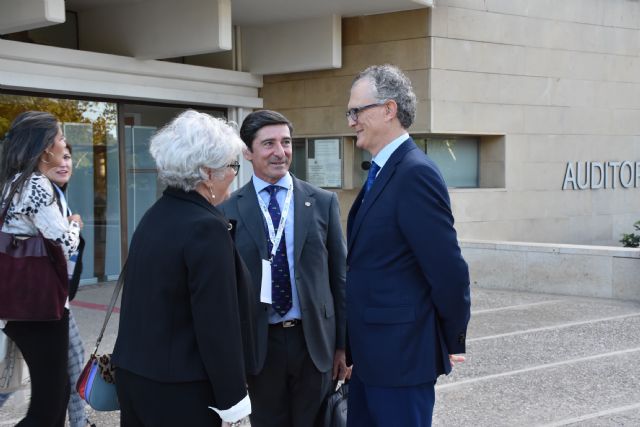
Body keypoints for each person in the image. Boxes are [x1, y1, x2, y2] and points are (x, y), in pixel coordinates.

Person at [345, 64, 471, 427]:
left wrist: (452, 337)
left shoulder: (415, 172)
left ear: (389, 109)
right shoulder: (383, 171)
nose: (351, 120)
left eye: (357, 111)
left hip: (401, 358)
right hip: (371, 357)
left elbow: (447, 269)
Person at [112, 110, 254, 427]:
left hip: (137, 378)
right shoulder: (206, 227)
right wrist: (234, 403)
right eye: (232, 165)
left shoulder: (155, 215)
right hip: (182, 391)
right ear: (206, 172)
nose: (235, 173)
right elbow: (218, 323)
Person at [220, 109, 348, 427]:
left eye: (286, 142)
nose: (280, 152)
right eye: (269, 144)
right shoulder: (227, 211)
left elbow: (340, 278)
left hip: (314, 344)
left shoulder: (322, 202)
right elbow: (224, 292)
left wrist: (345, 345)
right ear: (247, 152)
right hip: (260, 349)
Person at [0, 111, 83, 427]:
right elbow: (63, 244)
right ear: (45, 145)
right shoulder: (36, 184)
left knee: (57, 393)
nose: (63, 144)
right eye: (60, 137)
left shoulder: (13, 183)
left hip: (24, 307)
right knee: (48, 407)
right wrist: (74, 225)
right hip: (39, 309)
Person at [42, 143, 91, 427]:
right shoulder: (44, 196)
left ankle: (79, 421)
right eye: (57, 157)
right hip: (43, 301)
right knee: (69, 365)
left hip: (56, 300)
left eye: (68, 157)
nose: (64, 163)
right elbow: (61, 245)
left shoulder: (58, 196)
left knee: (71, 364)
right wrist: (72, 227)